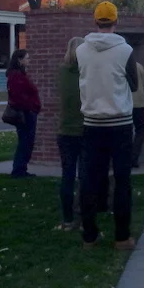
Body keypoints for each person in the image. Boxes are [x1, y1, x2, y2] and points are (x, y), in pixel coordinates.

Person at [76, 1, 138, 250]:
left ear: (95, 21)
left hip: (92, 123)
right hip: (120, 123)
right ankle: (122, 237)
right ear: (116, 21)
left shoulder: (81, 50)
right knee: (122, 180)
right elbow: (134, 84)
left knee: (90, 180)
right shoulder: (125, 50)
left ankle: (89, 236)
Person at [56, 37, 85, 230]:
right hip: (85, 129)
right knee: (85, 176)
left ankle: (67, 219)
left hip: (65, 130)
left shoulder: (61, 72)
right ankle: (84, 217)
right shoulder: (87, 73)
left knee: (67, 175)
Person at [6, 49, 41, 178]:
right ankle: (18, 170)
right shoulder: (17, 76)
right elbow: (18, 96)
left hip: (27, 112)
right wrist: (31, 107)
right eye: (27, 58)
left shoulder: (19, 75)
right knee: (25, 142)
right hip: (25, 114)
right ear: (20, 60)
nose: (29, 60)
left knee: (26, 142)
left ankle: (21, 169)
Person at [131, 62, 144, 168]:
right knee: (142, 130)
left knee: (125, 131)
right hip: (138, 103)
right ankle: (134, 156)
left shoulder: (116, 64)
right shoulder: (138, 66)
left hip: (123, 104)